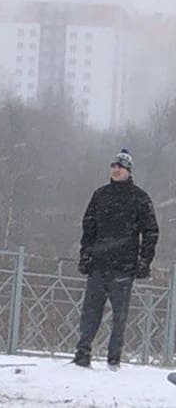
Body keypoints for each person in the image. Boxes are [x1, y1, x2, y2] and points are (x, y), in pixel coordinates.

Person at [73, 149, 158, 370]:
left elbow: (150, 231)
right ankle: (82, 354)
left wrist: (143, 261)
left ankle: (114, 359)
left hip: (124, 266)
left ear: (128, 171)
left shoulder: (139, 198)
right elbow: (88, 228)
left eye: (120, 167)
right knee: (90, 312)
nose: (116, 170)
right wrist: (86, 254)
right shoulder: (100, 195)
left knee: (119, 317)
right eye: (114, 166)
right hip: (99, 264)